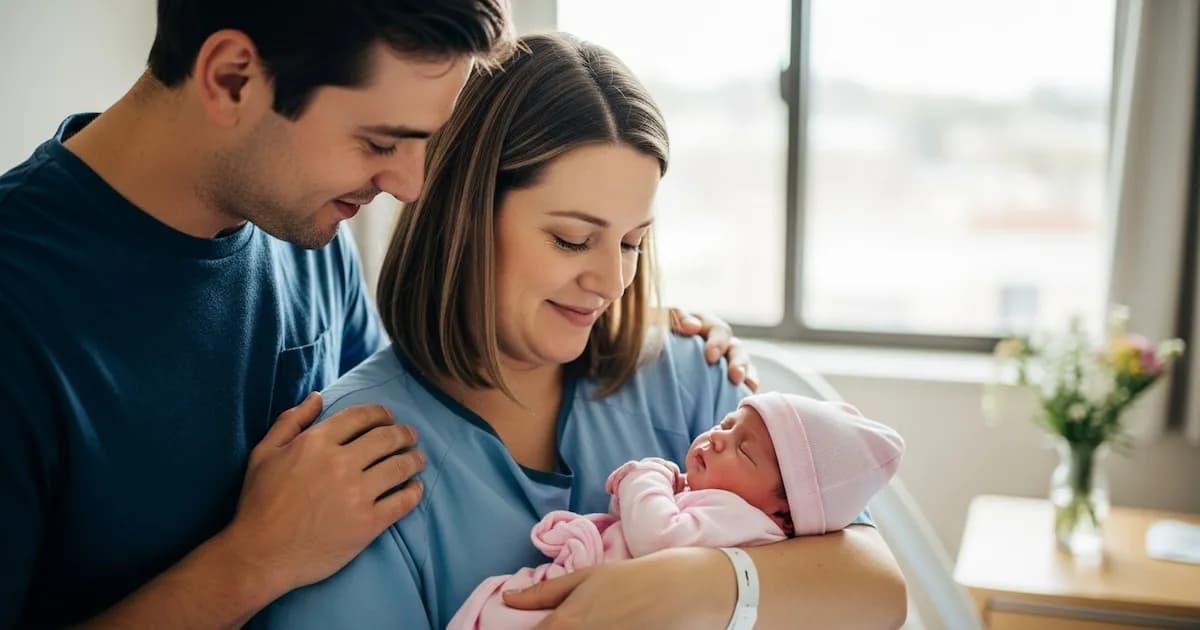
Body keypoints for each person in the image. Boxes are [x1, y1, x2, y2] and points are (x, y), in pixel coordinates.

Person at [0, 4, 748, 628]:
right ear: (231, 78)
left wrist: (613, 313)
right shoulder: (22, 304)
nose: (413, 185)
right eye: (380, 142)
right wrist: (249, 562)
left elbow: (421, 412)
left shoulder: (307, 236)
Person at [257, 33, 907, 630]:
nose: (609, 281)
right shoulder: (358, 461)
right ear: (465, 216)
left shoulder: (692, 376)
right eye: (572, 240)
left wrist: (694, 583)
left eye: (630, 243)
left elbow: (877, 590)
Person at [449, 392, 906, 629]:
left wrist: (645, 475)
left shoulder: (746, 522)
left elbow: (657, 538)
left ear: (784, 513)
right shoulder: (722, 503)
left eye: (743, 451)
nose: (719, 438)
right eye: (726, 424)